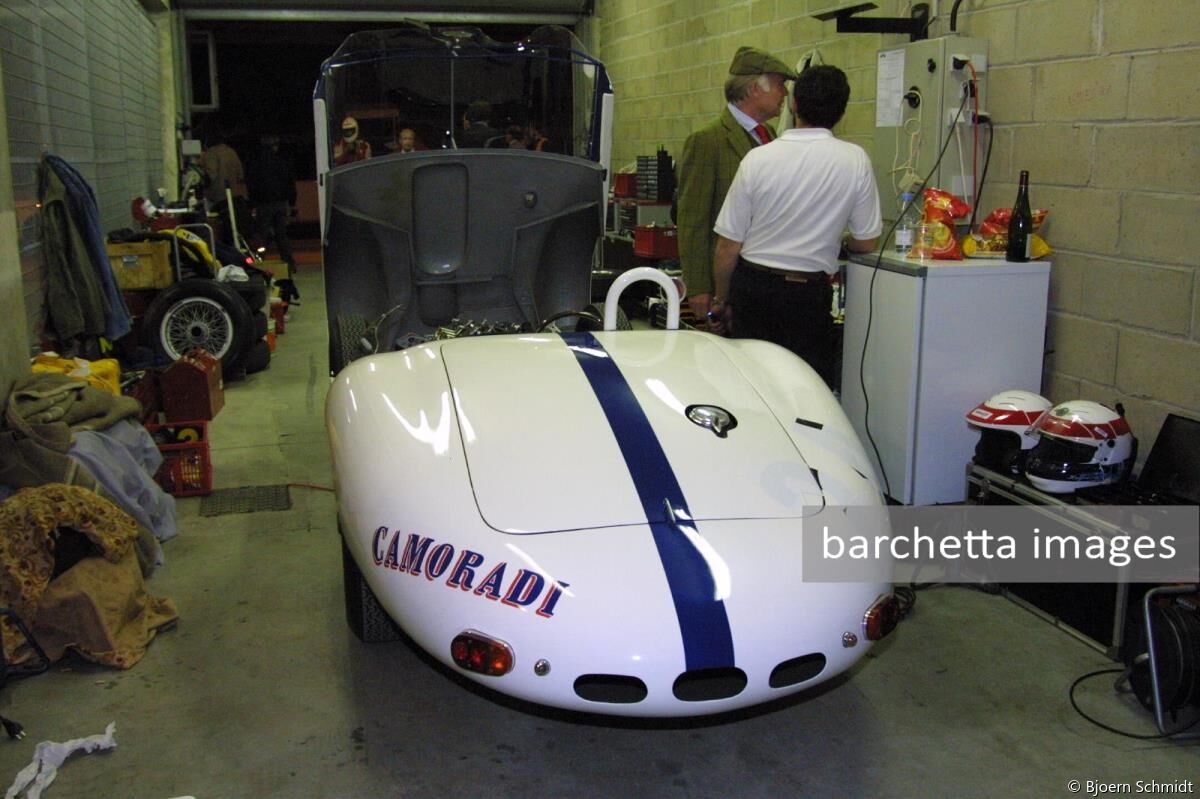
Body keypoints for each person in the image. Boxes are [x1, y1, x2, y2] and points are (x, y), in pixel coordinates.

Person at [710, 64, 882, 388]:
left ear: (794, 105)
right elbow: (867, 242)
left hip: (754, 291)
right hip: (807, 297)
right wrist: (834, 240)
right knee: (806, 393)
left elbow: (727, 246)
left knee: (752, 388)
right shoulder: (854, 160)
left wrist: (722, 300)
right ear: (841, 112)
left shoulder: (758, 159)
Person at [676, 46, 796, 324]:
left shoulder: (769, 135)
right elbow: (692, 220)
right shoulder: (708, 141)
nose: (785, 93)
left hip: (763, 280)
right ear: (755, 88)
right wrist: (699, 287)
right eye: (780, 85)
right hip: (727, 280)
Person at [245, 134, 299, 303]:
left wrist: (253, 202)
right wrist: (291, 201)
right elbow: (290, 182)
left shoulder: (256, 164)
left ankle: (259, 264)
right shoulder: (282, 162)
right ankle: (289, 263)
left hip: (263, 204)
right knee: (282, 235)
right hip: (280, 203)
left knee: (262, 236)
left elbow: (251, 183)